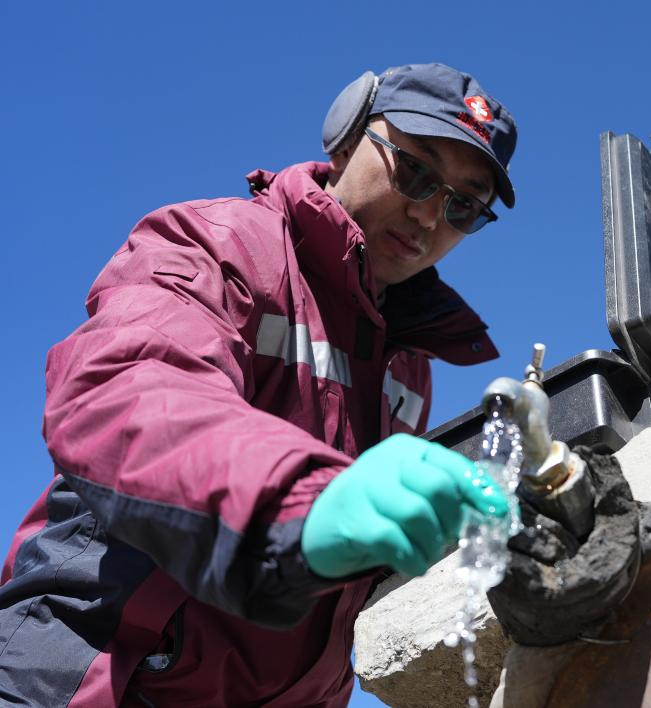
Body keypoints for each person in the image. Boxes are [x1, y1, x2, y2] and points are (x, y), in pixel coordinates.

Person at [0, 63, 516, 707]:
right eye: (415, 171)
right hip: (97, 680)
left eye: (463, 206)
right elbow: (127, 387)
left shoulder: (409, 363)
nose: (428, 214)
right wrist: (298, 502)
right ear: (347, 136)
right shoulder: (214, 245)